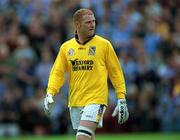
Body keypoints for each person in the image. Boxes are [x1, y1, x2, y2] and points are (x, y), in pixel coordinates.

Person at [44, 8, 129, 140]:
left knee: (82, 137)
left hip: (96, 99)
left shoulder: (104, 45)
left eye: (93, 21)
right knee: (88, 136)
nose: (93, 25)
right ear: (77, 25)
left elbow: (116, 72)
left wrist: (121, 97)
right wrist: (50, 92)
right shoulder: (66, 47)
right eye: (88, 22)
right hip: (75, 100)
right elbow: (57, 72)